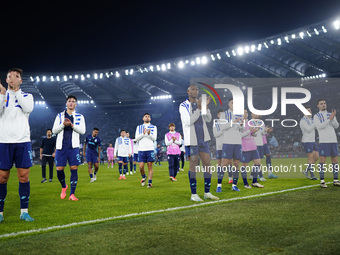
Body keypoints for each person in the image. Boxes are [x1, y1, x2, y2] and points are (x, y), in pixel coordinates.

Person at [0, 68, 34, 222]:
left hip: (22, 141)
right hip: (4, 141)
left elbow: (28, 108)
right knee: (2, 177)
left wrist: (16, 91)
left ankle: (24, 212)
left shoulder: (27, 96)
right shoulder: (1, 95)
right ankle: (0, 213)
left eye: (16, 76)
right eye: (10, 76)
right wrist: (2, 95)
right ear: (6, 80)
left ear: (20, 80)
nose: (13, 78)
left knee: (23, 176)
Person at [180, 85, 219, 201]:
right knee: (193, 165)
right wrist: (198, 108)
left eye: (197, 89)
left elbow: (208, 119)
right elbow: (188, 122)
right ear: (188, 91)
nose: (195, 91)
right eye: (193, 89)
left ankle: (207, 192)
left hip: (203, 139)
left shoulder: (200, 104)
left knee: (207, 164)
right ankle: (194, 194)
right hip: (192, 140)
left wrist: (205, 107)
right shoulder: (183, 105)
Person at [53, 95, 86, 201]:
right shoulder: (59, 116)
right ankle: (64, 186)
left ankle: (72, 194)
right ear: (66, 103)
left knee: (74, 168)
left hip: (73, 147)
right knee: (59, 169)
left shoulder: (80, 117)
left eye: (73, 101)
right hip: (61, 147)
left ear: (75, 104)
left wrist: (72, 125)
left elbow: (82, 131)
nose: (71, 103)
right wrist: (63, 124)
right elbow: (54, 130)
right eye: (69, 101)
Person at [217, 98, 244, 192]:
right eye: (232, 103)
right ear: (228, 104)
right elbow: (222, 127)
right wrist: (234, 122)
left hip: (237, 142)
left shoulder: (240, 114)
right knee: (224, 163)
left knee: (236, 164)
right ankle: (219, 185)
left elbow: (242, 130)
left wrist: (241, 124)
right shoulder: (224, 114)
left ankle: (234, 185)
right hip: (228, 142)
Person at [313, 99, 340, 188]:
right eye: (321, 104)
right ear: (318, 106)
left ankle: (336, 180)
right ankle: (322, 181)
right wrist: (329, 119)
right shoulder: (316, 116)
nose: (323, 105)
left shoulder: (330, 114)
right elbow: (319, 127)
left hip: (333, 140)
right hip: (324, 141)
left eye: (324, 103)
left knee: (335, 161)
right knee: (322, 161)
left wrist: (332, 119)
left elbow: (336, 126)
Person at [239, 110, 264, 189]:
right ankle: (245, 183)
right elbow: (240, 136)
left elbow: (253, 134)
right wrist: (249, 131)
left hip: (253, 146)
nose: (245, 114)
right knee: (244, 166)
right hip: (245, 148)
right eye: (243, 112)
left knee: (258, 163)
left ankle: (254, 181)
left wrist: (254, 132)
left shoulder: (250, 123)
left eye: (246, 112)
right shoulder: (239, 124)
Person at [135, 113, 157, 188]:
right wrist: (143, 134)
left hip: (150, 148)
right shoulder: (139, 127)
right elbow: (136, 138)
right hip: (141, 149)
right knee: (141, 166)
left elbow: (154, 139)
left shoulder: (154, 127)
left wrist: (149, 134)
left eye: (148, 117)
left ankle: (149, 183)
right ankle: (144, 176)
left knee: (150, 166)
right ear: (143, 118)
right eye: (146, 116)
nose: (147, 118)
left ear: (150, 119)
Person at [299, 106, 318, 180]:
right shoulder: (303, 120)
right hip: (307, 141)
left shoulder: (312, 120)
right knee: (310, 157)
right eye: (308, 110)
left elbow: (317, 127)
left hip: (313, 141)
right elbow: (309, 129)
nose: (310, 111)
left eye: (310, 110)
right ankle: (312, 175)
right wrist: (315, 123)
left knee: (316, 157)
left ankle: (306, 170)